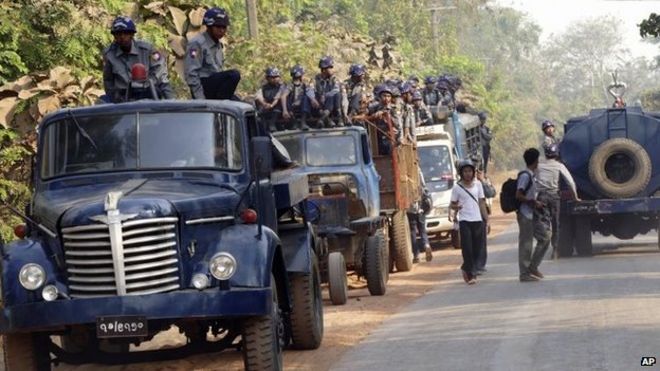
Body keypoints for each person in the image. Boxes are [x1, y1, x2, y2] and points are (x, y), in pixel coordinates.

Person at [103, 16, 174, 103]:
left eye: (125, 33)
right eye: (118, 34)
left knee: (164, 90)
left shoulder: (147, 50)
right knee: (103, 100)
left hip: (148, 93)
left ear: (132, 34)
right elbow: (108, 81)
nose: (122, 37)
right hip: (123, 97)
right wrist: (115, 98)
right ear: (114, 36)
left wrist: (171, 103)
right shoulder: (109, 54)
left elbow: (161, 74)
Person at [185, 7, 241, 100]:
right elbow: (191, 74)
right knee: (234, 75)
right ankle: (220, 104)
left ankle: (224, 103)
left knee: (244, 106)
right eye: (218, 27)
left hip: (216, 87)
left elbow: (218, 71)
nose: (222, 30)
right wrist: (200, 99)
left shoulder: (218, 44)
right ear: (209, 26)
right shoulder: (197, 43)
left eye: (224, 27)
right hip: (204, 87)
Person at [535, 143, 579, 262]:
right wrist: (575, 197)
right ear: (556, 154)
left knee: (543, 223)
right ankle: (555, 250)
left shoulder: (538, 166)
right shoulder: (559, 166)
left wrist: (534, 199)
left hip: (541, 197)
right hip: (554, 197)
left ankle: (543, 246)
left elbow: (533, 181)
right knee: (556, 223)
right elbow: (570, 182)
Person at [450, 159, 488, 285]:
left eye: (470, 171)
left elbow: (482, 202)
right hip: (465, 220)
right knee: (467, 248)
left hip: (477, 220)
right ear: (461, 173)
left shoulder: (478, 185)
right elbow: (452, 205)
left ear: (473, 172)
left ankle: (467, 267)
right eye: (465, 171)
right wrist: (457, 208)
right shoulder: (457, 188)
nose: (468, 174)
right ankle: (471, 274)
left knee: (478, 248)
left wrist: (486, 219)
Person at [516, 148, 543, 281]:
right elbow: (519, 195)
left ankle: (533, 266)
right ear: (535, 161)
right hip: (525, 213)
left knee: (545, 237)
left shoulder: (532, 175)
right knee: (526, 244)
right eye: (538, 159)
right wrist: (532, 202)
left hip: (532, 213)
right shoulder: (525, 176)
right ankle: (524, 274)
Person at [311, 55, 344, 128]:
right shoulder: (316, 79)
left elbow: (336, 89)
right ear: (324, 69)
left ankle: (337, 118)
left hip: (332, 104)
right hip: (319, 104)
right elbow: (309, 89)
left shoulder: (334, 78)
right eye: (330, 68)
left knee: (336, 94)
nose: (332, 70)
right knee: (313, 95)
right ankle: (326, 119)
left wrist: (325, 95)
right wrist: (313, 98)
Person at [255, 67, 287, 132]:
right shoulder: (264, 87)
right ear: (267, 78)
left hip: (277, 108)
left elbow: (279, 97)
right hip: (266, 106)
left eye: (276, 77)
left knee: (279, 104)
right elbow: (258, 96)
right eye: (272, 77)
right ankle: (263, 126)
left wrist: (272, 105)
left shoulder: (282, 86)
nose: (275, 79)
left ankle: (272, 124)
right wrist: (264, 104)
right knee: (258, 105)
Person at [283, 64, 311, 131]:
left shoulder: (304, 85)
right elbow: (283, 96)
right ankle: (294, 122)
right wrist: (285, 110)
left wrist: (313, 100)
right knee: (287, 99)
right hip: (292, 105)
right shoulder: (290, 85)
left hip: (302, 105)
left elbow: (310, 93)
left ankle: (303, 122)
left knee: (305, 97)